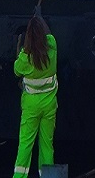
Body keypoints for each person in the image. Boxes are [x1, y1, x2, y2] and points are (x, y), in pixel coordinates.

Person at [13, 16, 58, 178]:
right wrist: (39, 17)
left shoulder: (25, 58)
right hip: (49, 104)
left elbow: (16, 71)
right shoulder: (52, 47)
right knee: (47, 145)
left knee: (25, 144)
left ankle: (19, 177)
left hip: (31, 106)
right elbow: (48, 34)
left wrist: (22, 48)